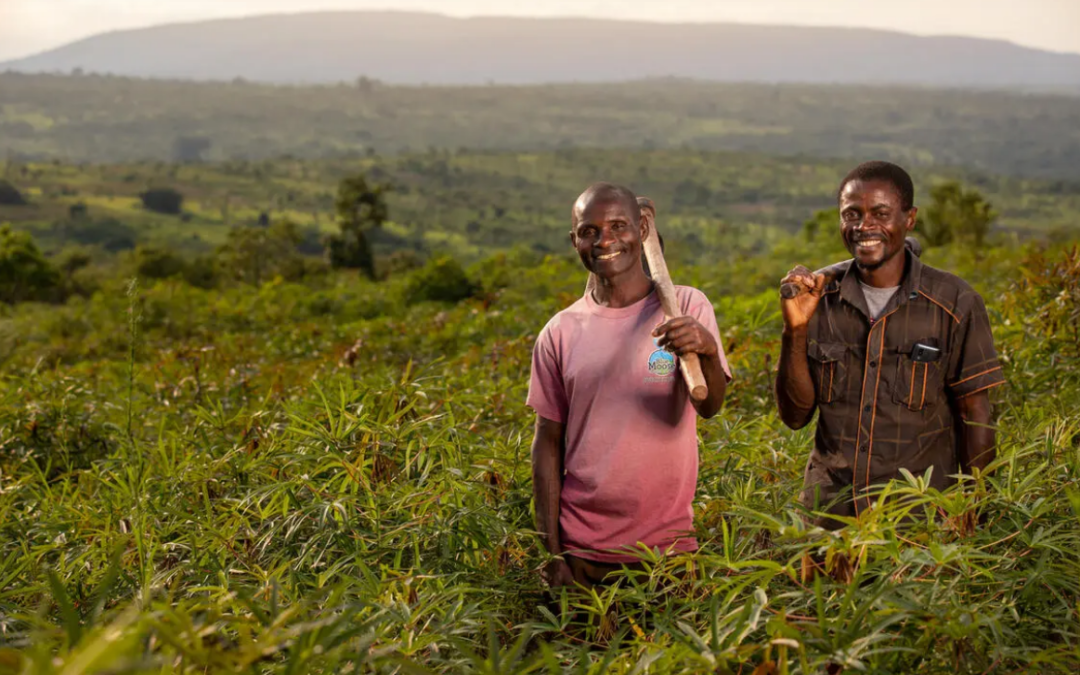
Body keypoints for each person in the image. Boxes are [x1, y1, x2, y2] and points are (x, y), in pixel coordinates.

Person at [776, 161, 1004, 529]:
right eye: (852, 214)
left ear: (909, 218)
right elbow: (795, 416)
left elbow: (976, 413)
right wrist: (795, 330)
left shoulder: (955, 303)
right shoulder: (817, 302)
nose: (864, 226)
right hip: (828, 519)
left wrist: (976, 509)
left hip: (917, 521)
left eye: (880, 213)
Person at [528, 183, 732, 588]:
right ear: (575, 242)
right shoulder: (560, 332)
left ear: (642, 231)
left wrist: (706, 348)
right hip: (581, 552)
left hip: (667, 551)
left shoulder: (687, 308)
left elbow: (709, 407)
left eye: (618, 226)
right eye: (590, 231)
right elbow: (547, 443)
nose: (605, 240)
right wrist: (550, 554)